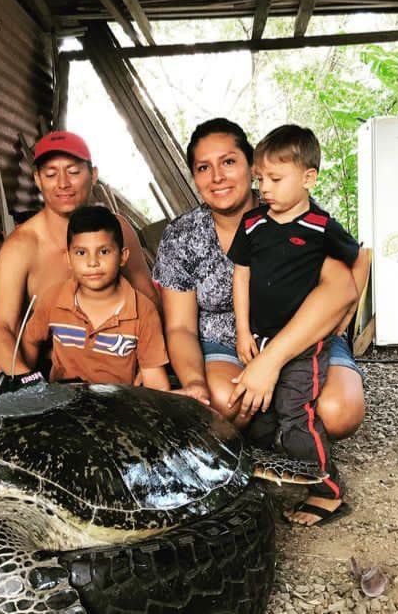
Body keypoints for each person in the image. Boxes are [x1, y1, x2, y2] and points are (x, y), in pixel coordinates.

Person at [152, 117, 369, 526]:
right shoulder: (182, 236)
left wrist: (268, 364)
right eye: (203, 167)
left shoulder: (292, 212)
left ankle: (317, 475)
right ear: (194, 176)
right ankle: (269, 454)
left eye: (229, 162)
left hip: (304, 337)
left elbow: (340, 289)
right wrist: (193, 383)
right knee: (224, 403)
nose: (217, 177)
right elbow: (179, 327)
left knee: (339, 409)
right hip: (227, 343)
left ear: (250, 165)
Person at [228, 124, 360, 523]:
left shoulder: (321, 227)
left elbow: (358, 260)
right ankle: (275, 477)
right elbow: (241, 275)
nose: (265, 188)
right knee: (260, 414)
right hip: (260, 340)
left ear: (308, 178)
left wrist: (347, 312)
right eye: (260, 179)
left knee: (295, 413)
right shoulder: (253, 225)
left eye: (275, 179)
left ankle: (327, 490)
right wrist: (241, 329)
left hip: (304, 346)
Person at [0, 131, 157, 376]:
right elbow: (0, 328)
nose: (63, 183)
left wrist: (149, 365)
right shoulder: (21, 247)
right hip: (57, 376)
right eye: (51, 174)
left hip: (122, 364)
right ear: (37, 179)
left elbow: (148, 297)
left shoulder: (117, 228)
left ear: (94, 174)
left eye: (74, 172)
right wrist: (25, 379)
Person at [20, 206, 170, 389]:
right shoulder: (53, 299)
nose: (92, 262)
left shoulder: (144, 311)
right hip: (63, 403)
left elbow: (155, 380)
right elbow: (30, 340)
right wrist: (27, 384)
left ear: (123, 256)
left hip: (117, 405)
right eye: (81, 253)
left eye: (104, 252)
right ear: (68, 259)